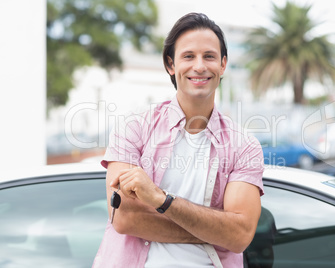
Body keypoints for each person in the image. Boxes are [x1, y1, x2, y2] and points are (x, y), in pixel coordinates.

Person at [92, 12, 264, 268]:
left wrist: (161, 200)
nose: (199, 66)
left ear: (223, 64)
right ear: (171, 65)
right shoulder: (134, 128)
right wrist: (213, 232)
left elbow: (239, 236)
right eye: (188, 56)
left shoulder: (244, 146)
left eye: (209, 56)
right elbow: (125, 218)